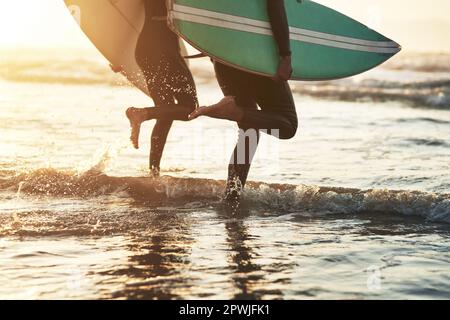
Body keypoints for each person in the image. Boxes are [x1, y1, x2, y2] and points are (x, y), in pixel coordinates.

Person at [189, 0, 298, 208]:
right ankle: (235, 112)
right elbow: (274, 5)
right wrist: (285, 55)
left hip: (222, 56)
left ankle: (232, 196)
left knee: (249, 130)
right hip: (255, 54)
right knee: (287, 126)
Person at [125, 0, 199, 177]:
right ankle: (142, 114)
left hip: (145, 49)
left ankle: (153, 171)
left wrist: (120, 56)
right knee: (189, 108)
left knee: (166, 111)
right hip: (164, 49)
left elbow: (123, 14)